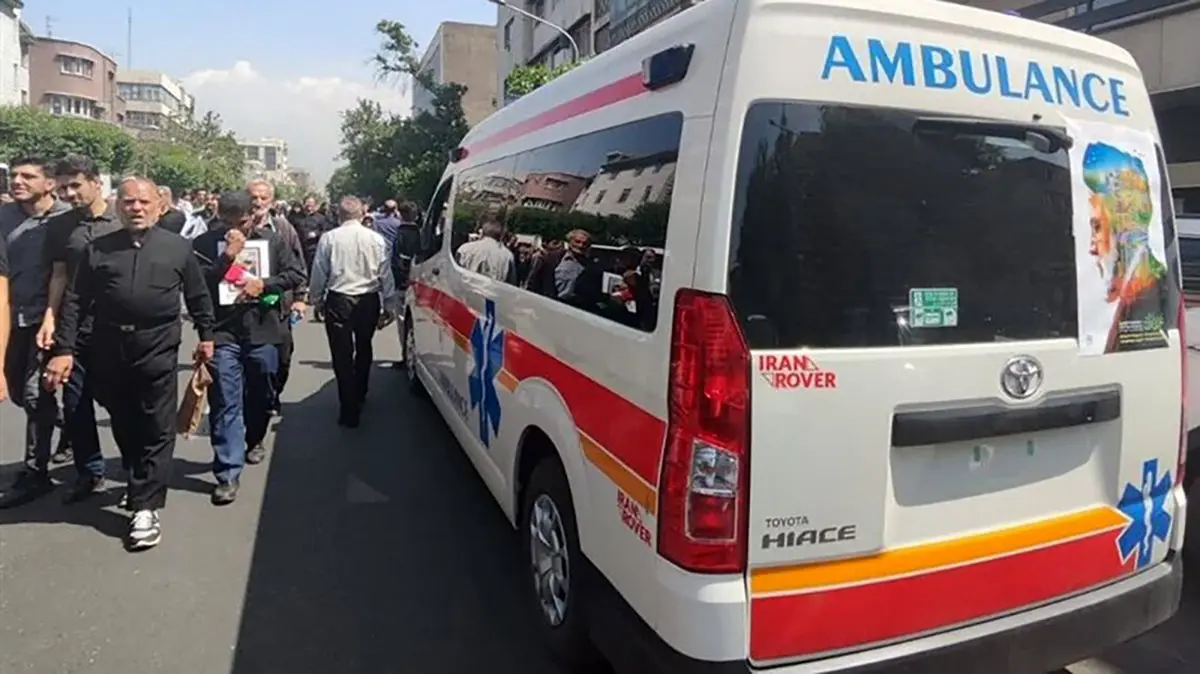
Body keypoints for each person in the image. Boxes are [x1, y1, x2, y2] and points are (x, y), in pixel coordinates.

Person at [44, 177, 216, 550]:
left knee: (157, 423)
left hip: (158, 345)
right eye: (128, 202)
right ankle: (139, 476)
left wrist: (207, 336)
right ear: (117, 206)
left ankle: (145, 506)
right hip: (109, 345)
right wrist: (64, 349)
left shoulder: (177, 248)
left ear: (159, 206)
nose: (136, 208)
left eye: (143, 202)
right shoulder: (97, 249)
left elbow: (198, 294)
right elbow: (75, 301)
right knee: (124, 418)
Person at [193, 190, 306, 504]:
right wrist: (227, 257)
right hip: (222, 331)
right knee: (225, 400)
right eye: (227, 223)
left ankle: (254, 437)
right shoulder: (204, 244)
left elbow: (295, 274)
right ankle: (228, 472)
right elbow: (198, 285)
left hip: (263, 327)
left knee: (262, 387)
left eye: (241, 222)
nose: (235, 229)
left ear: (253, 216)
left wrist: (264, 285)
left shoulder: (273, 240)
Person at [44, 155, 122, 503]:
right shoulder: (60, 226)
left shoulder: (122, 219)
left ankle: (135, 470)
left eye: (75, 185)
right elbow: (59, 275)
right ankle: (89, 472)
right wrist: (50, 316)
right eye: (63, 188)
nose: (70, 194)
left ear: (96, 183)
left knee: (122, 405)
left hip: (116, 327)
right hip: (74, 327)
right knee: (75, 404)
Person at [0, 157, 71, 509]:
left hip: (49, 321)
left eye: (28, 176)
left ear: (50, 184)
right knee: (16, 391)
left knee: (34, 394)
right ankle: (67, 424)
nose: (17, 181)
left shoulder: (66, 219)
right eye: (14, 175)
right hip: (12, 318)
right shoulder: (4, 217)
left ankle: (35, 472)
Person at [309, 196, 396, 428]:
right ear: (362, 214)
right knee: (364, 346)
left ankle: (348, 408)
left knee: (342, 354)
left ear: (339, 215)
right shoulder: (376, 239)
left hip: (339, 298)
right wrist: (389, 305)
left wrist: (315, 300)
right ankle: (361, 390)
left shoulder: (329, 238)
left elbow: (319, 271)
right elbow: (385, 274)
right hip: (368, 299)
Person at [247, 179, 306, 413]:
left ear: (271, 202)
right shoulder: (235, 227)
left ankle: (273, 394)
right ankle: (255, 402)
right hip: (242, 307)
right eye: (254, 197)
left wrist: (300, 297)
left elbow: (298, 265)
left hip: (277, 304)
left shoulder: (283, 229)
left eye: (263, 198)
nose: (258, 202)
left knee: (282, 357)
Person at [389, 202, 422, 368]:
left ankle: (406, 355)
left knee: (403, 321)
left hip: (403, 282)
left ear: (400, 215)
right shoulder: (422, 233)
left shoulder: (400, 234)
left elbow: (396, 260)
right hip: (422, 281)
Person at [455, 215, 516, 284]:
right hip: (492, 289)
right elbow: (511, 283)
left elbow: (455, 273)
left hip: (466, 287)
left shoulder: (464, 248)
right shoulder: (507, 255)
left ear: (483, 232)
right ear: (500, 235)